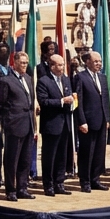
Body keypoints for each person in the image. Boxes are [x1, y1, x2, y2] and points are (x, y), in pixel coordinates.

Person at [0, 50, 37, 200]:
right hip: (14, 125)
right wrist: (8, 120)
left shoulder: (29, 79)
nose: (25, 65)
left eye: (26, 63)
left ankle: (22, 188)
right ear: (15, 63)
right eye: (22, 63)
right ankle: (11, 190)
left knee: (25, 158)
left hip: (28, 124)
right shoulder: (6, 80)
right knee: (12, 159)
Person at [37, 53, 75, 197]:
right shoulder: (44, 81)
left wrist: (72, 102)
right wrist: (61, 101)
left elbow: (70, 96)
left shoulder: (65, 79)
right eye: (59, 65)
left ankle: (60, 183)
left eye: (63, 64)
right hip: (51, 124)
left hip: (65, 122)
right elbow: (44, 101)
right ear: (52, 66)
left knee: (62, 155)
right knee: (49, 156)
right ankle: (48, 185)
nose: (62, 67)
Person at [74, 49, 110, 193]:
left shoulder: (102, 77)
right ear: (87, 62)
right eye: (96, 61)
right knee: (86, 152)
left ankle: (95, 179)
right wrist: (81, 121)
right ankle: (85, 181)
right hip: (87, 122)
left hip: (101, 120)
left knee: (99, 152)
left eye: (100, 61)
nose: (99, 64)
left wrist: (107, 118)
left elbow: (106, 99)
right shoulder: (80, 77)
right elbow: (79, 102)